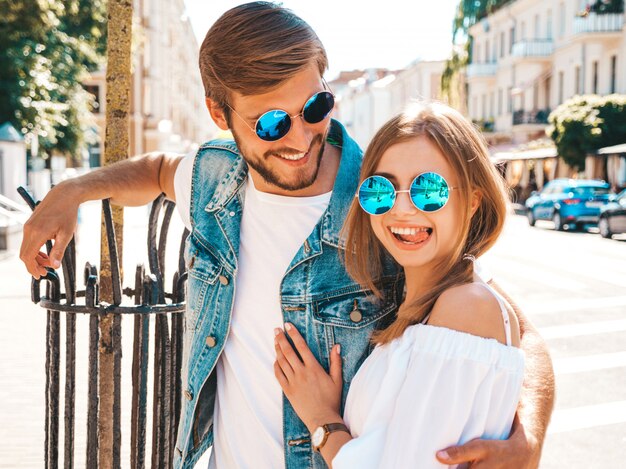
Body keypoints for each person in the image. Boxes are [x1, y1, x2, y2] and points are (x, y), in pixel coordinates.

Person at [19, 2, 554, 468]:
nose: (300, 138)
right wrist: (72, 191)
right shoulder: (214, 178)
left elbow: (516, 331)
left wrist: (528, 435)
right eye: (272, 124)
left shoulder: (383, 202)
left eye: (315, 108)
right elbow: (157, 170)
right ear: (219, 113)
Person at [273, 102, 528, 468]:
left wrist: (321, 420)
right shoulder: (430, 303)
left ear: (473, 201)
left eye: (429, 189)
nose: (402, 209)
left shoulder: (466, 307)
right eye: (381, 190)